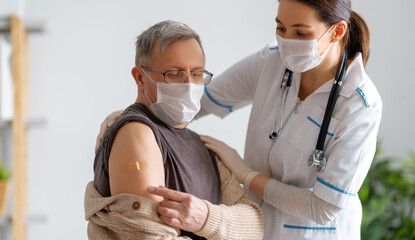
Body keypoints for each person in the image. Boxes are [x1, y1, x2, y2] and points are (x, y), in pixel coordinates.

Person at [199, 0, 382, 239]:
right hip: (254, 227)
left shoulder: (360, 105)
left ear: (337, 31)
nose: (287, 41)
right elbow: (199, 102)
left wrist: (247, 175)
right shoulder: (271, 62)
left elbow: (323, 207)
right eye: (280, 28)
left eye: (301, 32)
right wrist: (141, 122)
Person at [85, 20, 264, 240]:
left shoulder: (203, 147)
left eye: (197, 74)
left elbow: (255, 224)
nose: (189, 84)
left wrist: (207, 218)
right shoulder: (136, 133)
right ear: (140, 77)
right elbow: (148, 236)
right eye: (175, 74)